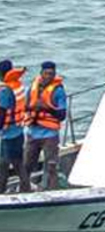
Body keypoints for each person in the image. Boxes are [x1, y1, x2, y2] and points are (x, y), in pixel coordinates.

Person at [25, 61, 67, 190]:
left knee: (51, 166)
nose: (48, 76)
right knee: (27, 165)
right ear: (41, 73)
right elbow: (25, 107)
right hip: (33, 133)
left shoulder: (58, 91)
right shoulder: (32, 87)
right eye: (46, 73)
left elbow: (62, 115)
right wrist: (32, 108)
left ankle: (52, 190)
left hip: (50, 135)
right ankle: (24, 188)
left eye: (51, 74)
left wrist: (46, 108)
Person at [0, 60, 30, 193]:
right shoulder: (17, 85)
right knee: (14, 163)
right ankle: (24, 188)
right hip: (18, 130)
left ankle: (4, 192)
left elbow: (2, 113)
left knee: (8, 165)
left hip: (8, 134)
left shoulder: (5, 90)